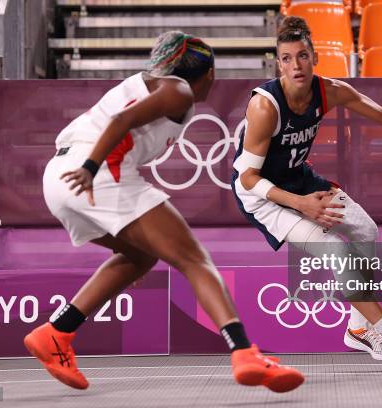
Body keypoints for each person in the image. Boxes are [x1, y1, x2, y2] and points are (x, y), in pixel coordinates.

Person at [23, 32, 304, 392]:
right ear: (209, 75)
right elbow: (121, 122)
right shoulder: (180, 92)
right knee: (195, 260)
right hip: (92, 173)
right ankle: (244, 353)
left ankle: (56, 333)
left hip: (58, 180)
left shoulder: (149, 83)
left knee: (139, 257)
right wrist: (91, 169)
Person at [231, 17, 382, 374]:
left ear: (314, 57)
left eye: (302, 55)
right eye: (286, 58)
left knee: (366, 231)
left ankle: (358, 328)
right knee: (337, 250)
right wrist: (301, 204)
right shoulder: (265, 106)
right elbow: (246, 178)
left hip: (297, 179)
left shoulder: (329, 91)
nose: (295, 65)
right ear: (278, 63)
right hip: (264, 195)